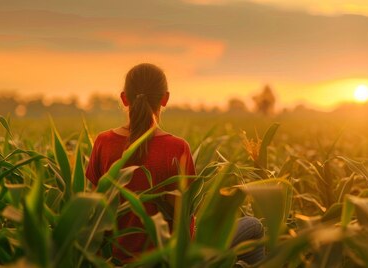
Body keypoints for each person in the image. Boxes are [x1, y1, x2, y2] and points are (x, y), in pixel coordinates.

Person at [85, 63, 264, 265]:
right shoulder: (177, 148)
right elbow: (183, 222)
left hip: (113, 261)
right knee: (253, 225)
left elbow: (94, 211)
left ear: (124, 98)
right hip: (168, 262)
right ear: (165, 99)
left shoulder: (103, 142)